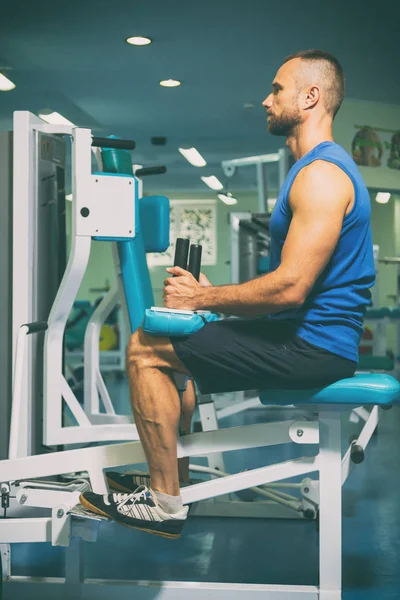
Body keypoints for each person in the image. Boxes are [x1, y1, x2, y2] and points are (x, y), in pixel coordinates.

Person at [80, 49, 375, 538]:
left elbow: (291, 288)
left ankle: (163, 501)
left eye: (277, 89)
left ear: (311, 96)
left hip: (315, 346)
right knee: (180, 348)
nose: (266, 99)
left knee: (144, 349)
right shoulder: (312, 170)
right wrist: (217, 297)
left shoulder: (322, 176)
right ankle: (177, 481)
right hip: (308, 337)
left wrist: (201, 298)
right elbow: (290, 283)